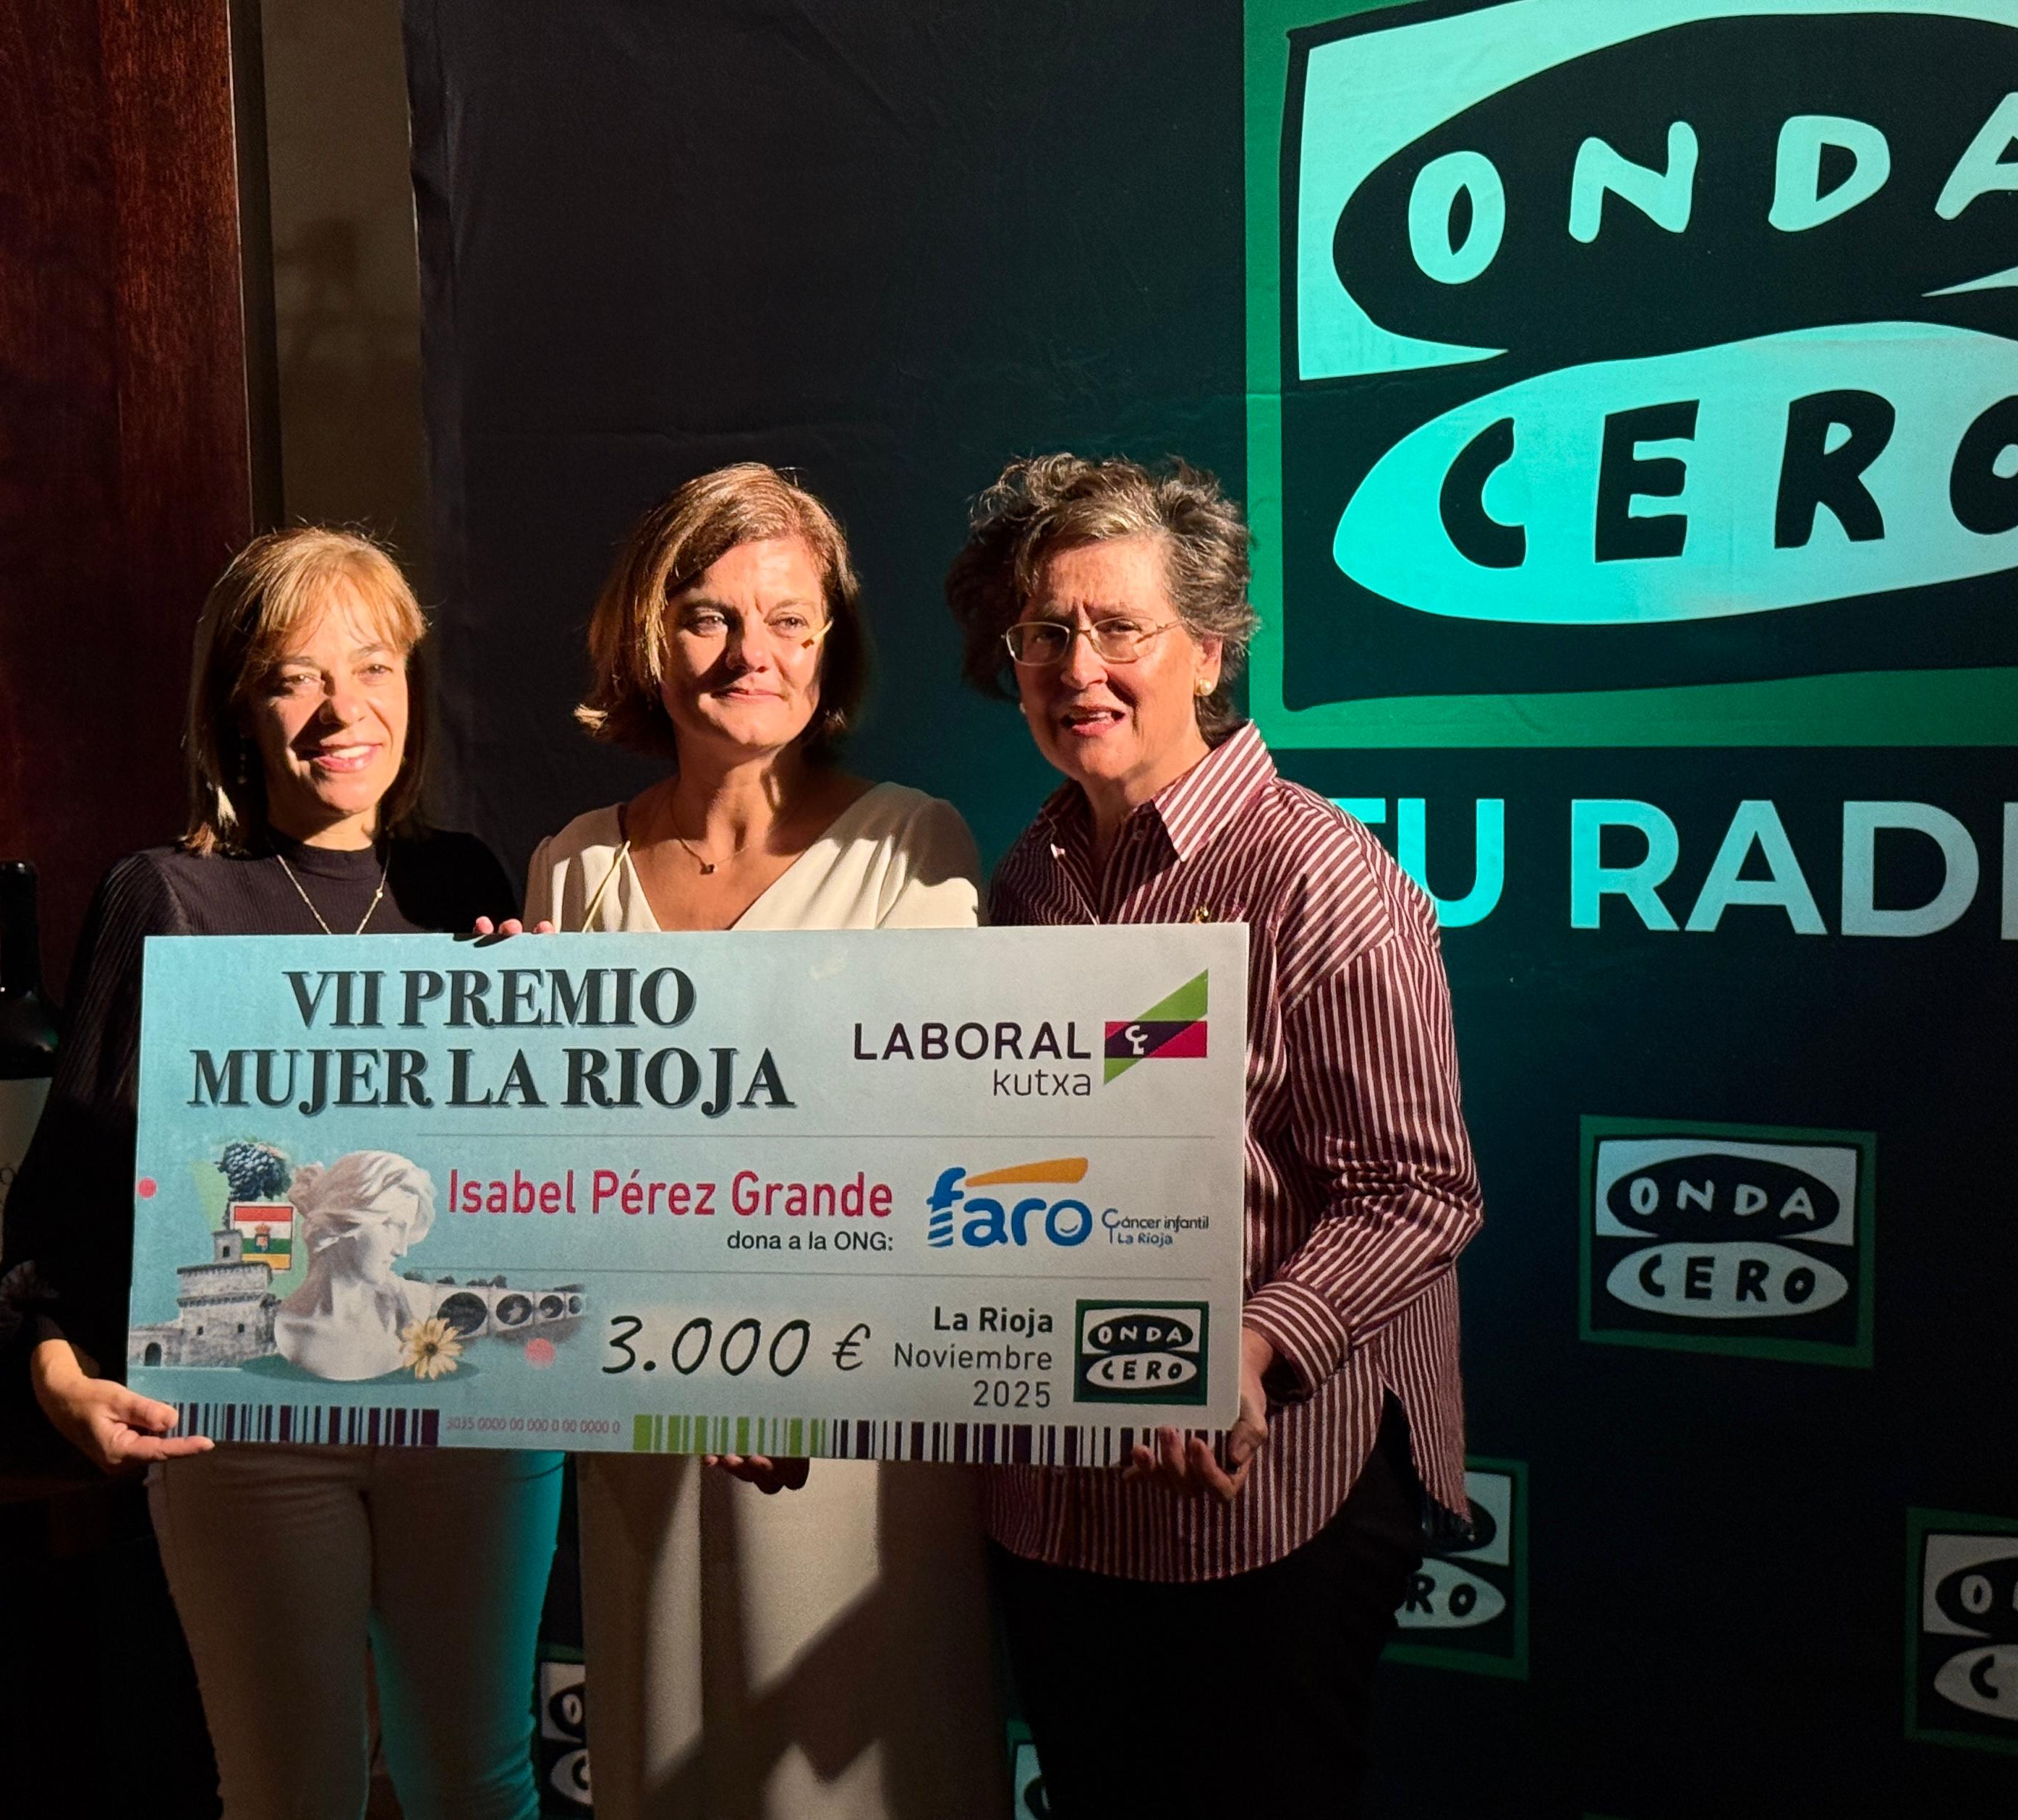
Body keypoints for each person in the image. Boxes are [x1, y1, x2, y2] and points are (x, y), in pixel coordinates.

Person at [945, 455, 1484, 1818]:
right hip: (1062, 1493)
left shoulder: (1320, 878)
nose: (1080, 668)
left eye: (1120, 628)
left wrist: (1246, 1345)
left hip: (1266, 1497)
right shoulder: (1029, 879)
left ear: (1209, 649)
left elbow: (1418, 1190)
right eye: (1046, 633)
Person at [0, 527, 563, 1820]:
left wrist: (535, 1030)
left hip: (465, 1414)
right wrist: (60, 1376)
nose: (340, 711)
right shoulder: (166, 897)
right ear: (235, 715)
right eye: (292, 679)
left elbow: (517, 1178)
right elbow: (63, 1200)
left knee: (478, 1784)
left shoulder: (465, 885)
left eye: (372, 667)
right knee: (289, 1792)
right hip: (251, 1429)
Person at [528, 464, 1008, 1820]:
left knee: (849, 1770)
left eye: (790, 620)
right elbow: (562, 1182)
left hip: (850, 1426)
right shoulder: (572, 866)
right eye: (709, 616)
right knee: (672, 1753)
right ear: (648, 637)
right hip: (647, 1422)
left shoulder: (914, 847)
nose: (753, 653)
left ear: (830, 646)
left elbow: (941, 1171)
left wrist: (784, 1360)